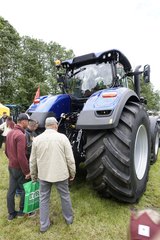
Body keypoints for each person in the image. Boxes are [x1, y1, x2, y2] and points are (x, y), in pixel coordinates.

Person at [29, 117, 76, 233]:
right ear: (55, 125)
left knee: (43, 199)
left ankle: (44, 225)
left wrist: (34, 175)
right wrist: (72, 172)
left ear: (45, 126)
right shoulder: (63, 138)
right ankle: (69, 220)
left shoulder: (37, 139)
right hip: (61, 174)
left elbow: (32, 161)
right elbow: (70, 159)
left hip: (44, 175)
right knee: (65, 196)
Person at [5, 113, 31, 221]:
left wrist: (12, 160)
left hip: (11, 166)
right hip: (19, 168)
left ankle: (11, 214)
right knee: (25, 189)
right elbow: (21, 156)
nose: (28, 123)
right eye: (28, 121)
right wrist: (27, 172)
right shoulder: (21, 135)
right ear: (23, 121)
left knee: (11, 190)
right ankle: (21, 211)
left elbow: (6, 151)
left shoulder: (10, 133)